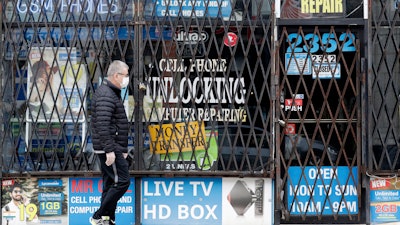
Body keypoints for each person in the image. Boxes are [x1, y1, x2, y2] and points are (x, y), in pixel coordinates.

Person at [90, 60, 131, 225]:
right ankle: (98, 215)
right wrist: (110, 151)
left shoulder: (111, 92)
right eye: (126, 75)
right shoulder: (106, 94)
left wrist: (122, 148)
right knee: (122, 181)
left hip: (113, 147)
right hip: (108, 148)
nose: (127, 79)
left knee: (110, 183)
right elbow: (103, 124)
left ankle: (108, 219)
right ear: (116, 75)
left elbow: (116, 123)